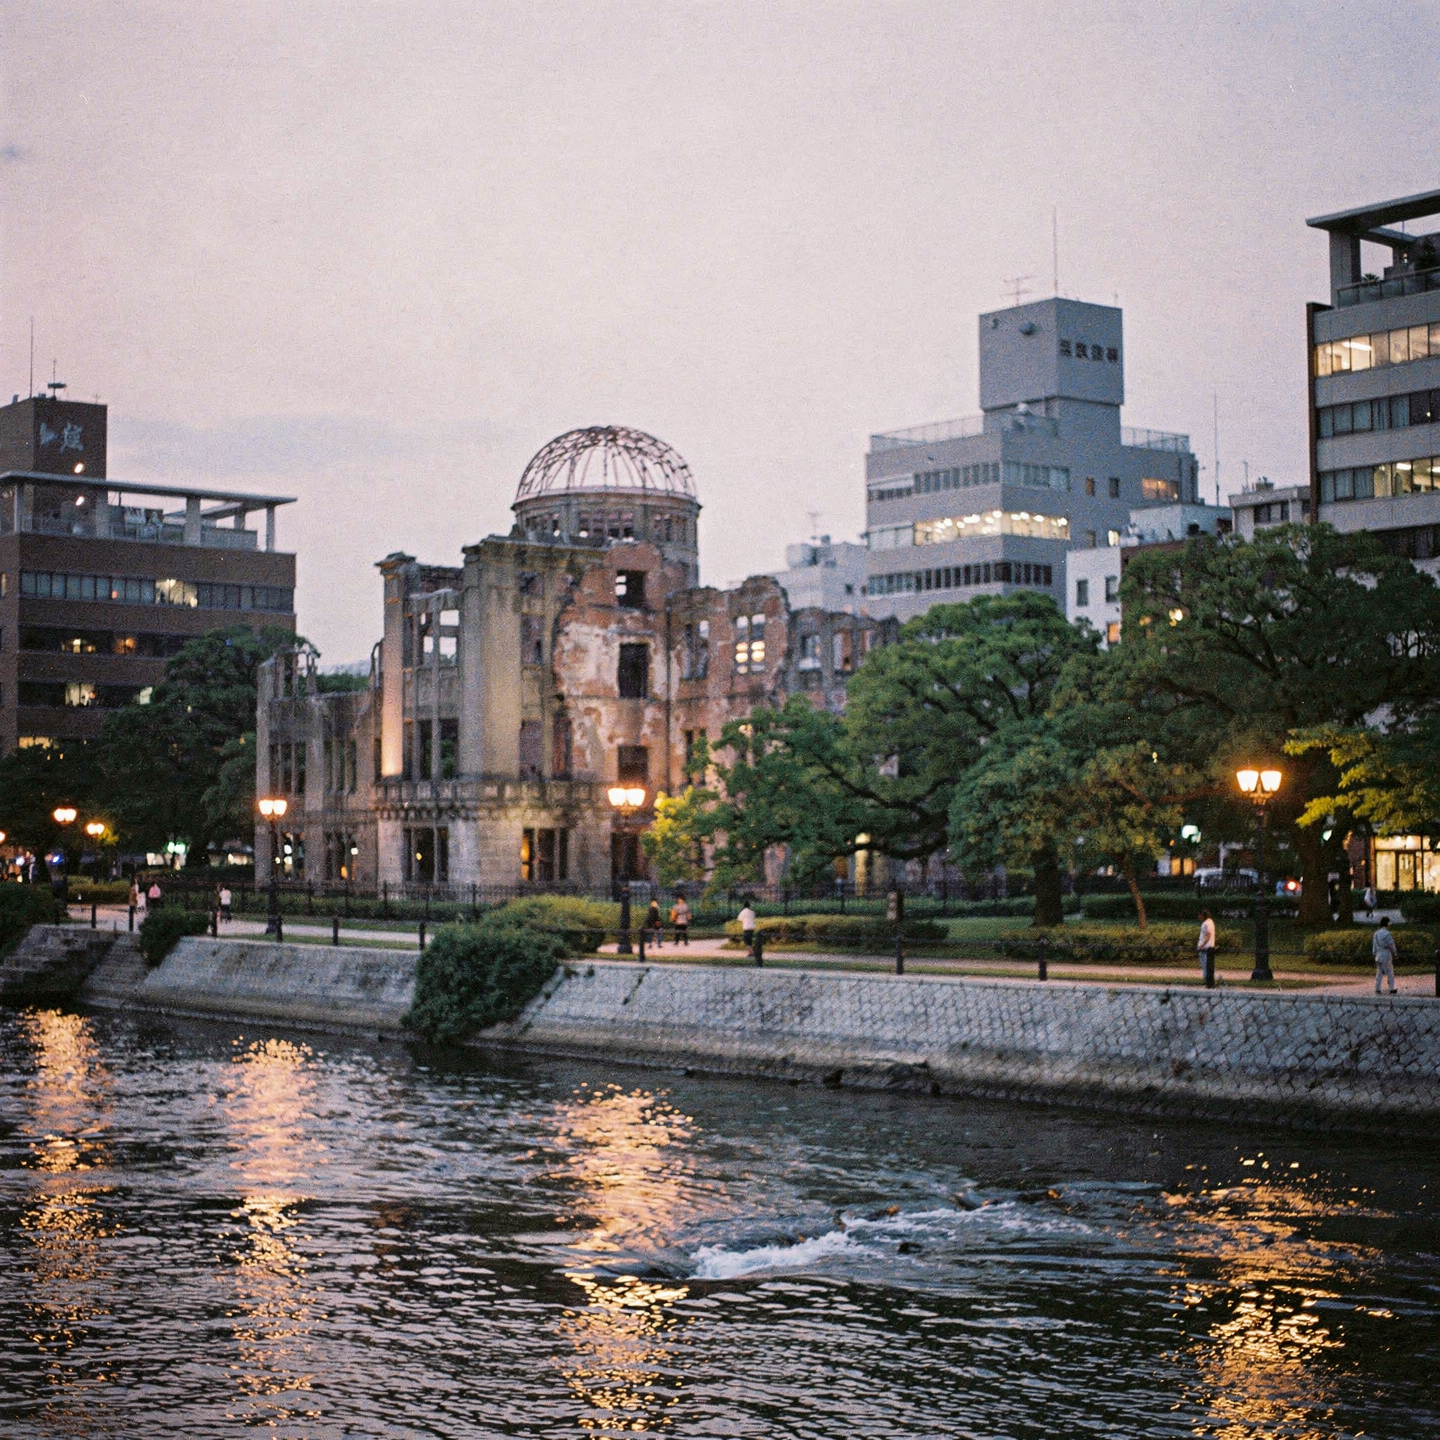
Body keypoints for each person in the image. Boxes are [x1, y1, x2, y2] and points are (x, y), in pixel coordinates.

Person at [1372, 918, 1399, 995]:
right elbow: (1391, 945)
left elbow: (1374, 945)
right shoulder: (1387, 934)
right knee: (1390, 971)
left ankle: (1377, 988)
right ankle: (1391, 988)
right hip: (1386, 954)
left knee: (1379, 972)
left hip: (1378, 954)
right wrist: (1395, 954)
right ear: (1387, 924)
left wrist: (1374, 953)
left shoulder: (1376, 933)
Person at [1196, 910, 1216, 983]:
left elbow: (1208, 935)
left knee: (1205, 964)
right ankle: (1208, 979)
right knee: (1208, 964)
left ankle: (1206, 978)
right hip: (1210, 946)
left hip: (1205, 947)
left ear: (1203, 915)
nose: (1199, 917)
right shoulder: (1211, 922)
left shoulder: (1206, 923)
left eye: (1199, 915)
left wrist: (1201, 946)